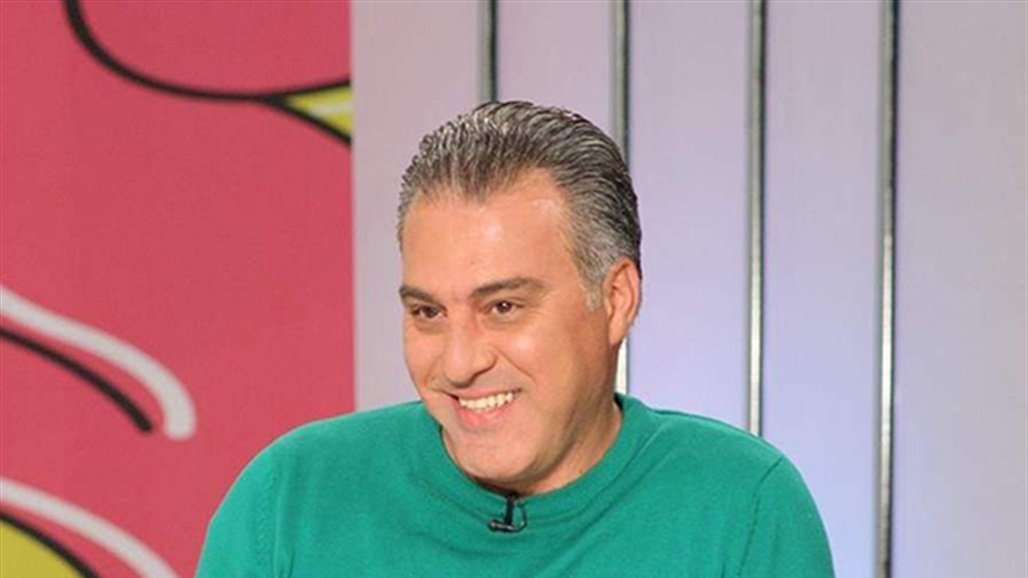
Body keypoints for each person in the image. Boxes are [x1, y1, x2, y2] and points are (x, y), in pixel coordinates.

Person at [196, 101, 834, 577]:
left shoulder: (742, 504)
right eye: (427, 312)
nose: (459, 363)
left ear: (616, 299)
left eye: (503, 307)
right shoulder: (292, 498)